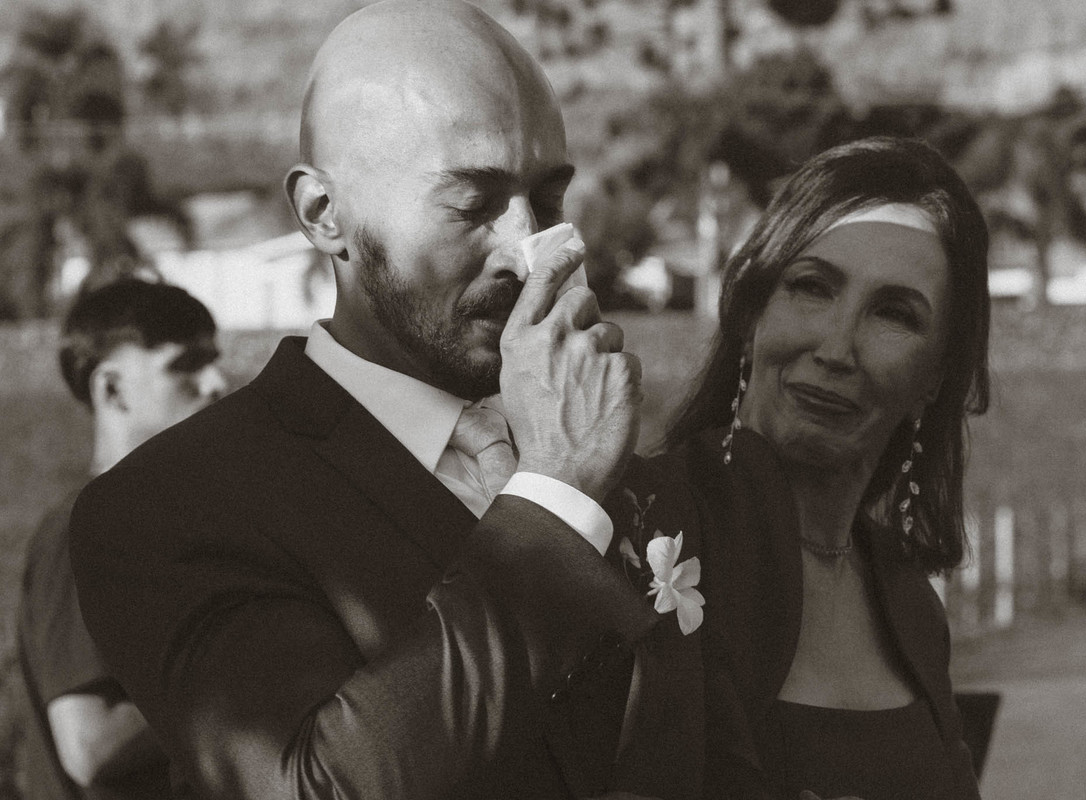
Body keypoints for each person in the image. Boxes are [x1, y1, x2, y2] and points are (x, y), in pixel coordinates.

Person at [68, 2, 702, 798]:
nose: (530, 250)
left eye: (548, 201)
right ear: (325, 215)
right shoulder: (169, 504)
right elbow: (312, 785)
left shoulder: (617, 463)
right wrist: (555, 496)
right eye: (472, 204)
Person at [655, 137, 991, 800]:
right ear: (752, 313)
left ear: (936, 376)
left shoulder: (909, 603)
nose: (837, 349)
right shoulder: (641, 531)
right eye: (812, 287)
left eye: (894, 314)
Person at [19, 277, 226, 800]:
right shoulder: (86, 529)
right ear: (111, 389)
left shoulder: (156, 526)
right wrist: (252, 682)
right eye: (185, 365)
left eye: (213, 361)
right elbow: (91, 745)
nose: (216, 382)